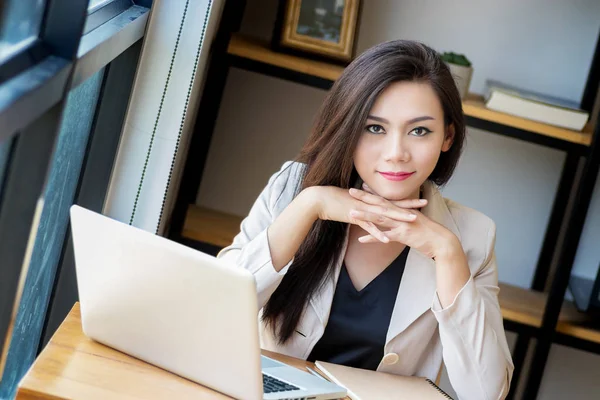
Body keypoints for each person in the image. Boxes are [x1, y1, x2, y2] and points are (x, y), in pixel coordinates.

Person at [218, 39, 514, 400]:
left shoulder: (472, 237)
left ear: (447, 137)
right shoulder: (292, 190)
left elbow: (486, 393)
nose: (396, 154)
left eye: (419, 131)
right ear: (348, 128)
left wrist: (446, 252)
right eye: (375, 128)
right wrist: (309, 205)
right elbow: (214, 312)